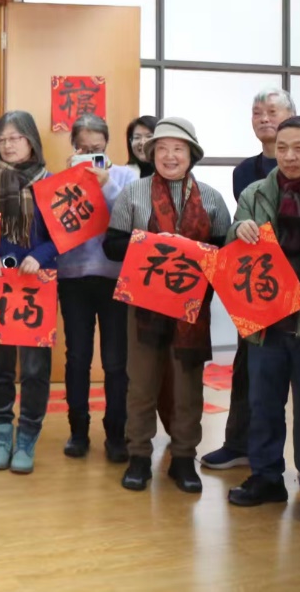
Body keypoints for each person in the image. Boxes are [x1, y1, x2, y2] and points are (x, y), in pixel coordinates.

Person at [103, 117, 232, 494]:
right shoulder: (134, 193)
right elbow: (111, 246)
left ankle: (183, 458)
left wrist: (191, 250)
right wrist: (152, 244)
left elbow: (224, 254)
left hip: (192, 310)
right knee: (141, 383)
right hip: (143, 306)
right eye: (161, 149)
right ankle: (139, 456)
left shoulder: (211, 198)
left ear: (191, 154)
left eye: (178, 148)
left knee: (187, 386)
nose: (169, 156)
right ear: (151, 154)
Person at [227, 116, 300, 525]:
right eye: (282, 148)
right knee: (263, 405)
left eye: (299, 148)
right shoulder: (257, 192)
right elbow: (233, 247)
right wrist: (237, 229)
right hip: (267, 318)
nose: (289, 157)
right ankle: (266, 477)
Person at [203, 87, 298, 471]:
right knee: (246, 370)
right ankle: (239, 444)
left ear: (292, 115)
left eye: (272, 111)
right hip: (259, 286)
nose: (263, 118)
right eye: (257, 112)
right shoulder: (243, 171)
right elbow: (246, 223)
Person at [0, 111, 60, 474]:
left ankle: (27, 438)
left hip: (38, 284)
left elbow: (63, 235)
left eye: (15, 138)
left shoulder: (50, 183)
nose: (7, 145)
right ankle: (1, 434)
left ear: (31, 140)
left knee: (34, 369)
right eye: (1, 139)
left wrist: (39, 255)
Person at [57, 114, 137, 462]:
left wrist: (105, 184)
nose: (90, 153)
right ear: (73, 147)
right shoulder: (62, 178)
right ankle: (78, 430)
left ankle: (116, 433)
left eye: (96, 148)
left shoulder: (126, 177)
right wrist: (68, 183)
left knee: (116, 361)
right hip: (73, 276)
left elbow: (132, 217)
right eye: (83, 148)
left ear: (107, 145)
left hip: (116, 277)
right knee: (77, 357)